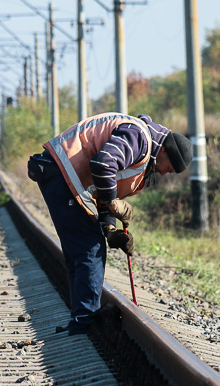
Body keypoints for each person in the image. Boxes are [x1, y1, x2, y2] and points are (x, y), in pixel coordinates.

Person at [27, 112, 193, 335]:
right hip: (63, 174)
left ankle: (80, 320)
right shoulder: (140, 138)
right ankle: (84, 324)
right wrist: (113, 203)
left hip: (62, 175)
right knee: (90, 250)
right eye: (169, 168)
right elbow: (103, 164)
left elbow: (103, 185)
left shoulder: (144, 151)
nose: (164, 174)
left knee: (82, 249)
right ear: (163, 150)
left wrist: (110, 228)